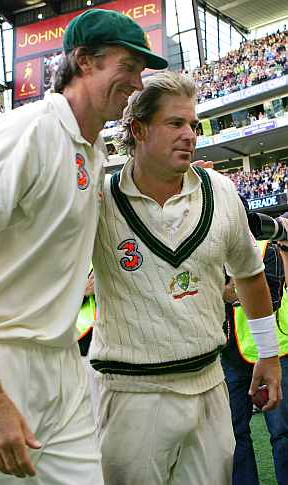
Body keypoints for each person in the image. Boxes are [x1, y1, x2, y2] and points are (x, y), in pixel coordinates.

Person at [0, 9, 167, 485]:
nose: (137, 83)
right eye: (128, 66)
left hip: (61, 363)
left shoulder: (92, 152)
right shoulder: (26, 131)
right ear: (84, 61)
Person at [89, 71, 282, 485]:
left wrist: (267, 354)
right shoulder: (100, 202)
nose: (190, 135)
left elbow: (249, 276)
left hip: (208, 384)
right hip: (130, 393)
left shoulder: (222, 191)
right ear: (137, 129)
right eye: (175, 123)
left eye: (192, 125)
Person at [221, 231, 288, 484]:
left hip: (274, 352)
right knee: (234, 434)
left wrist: (231, 292)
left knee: (282, 432)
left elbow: (271, 298)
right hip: (231, 355)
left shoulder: (265, 249)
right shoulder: (210, 254)